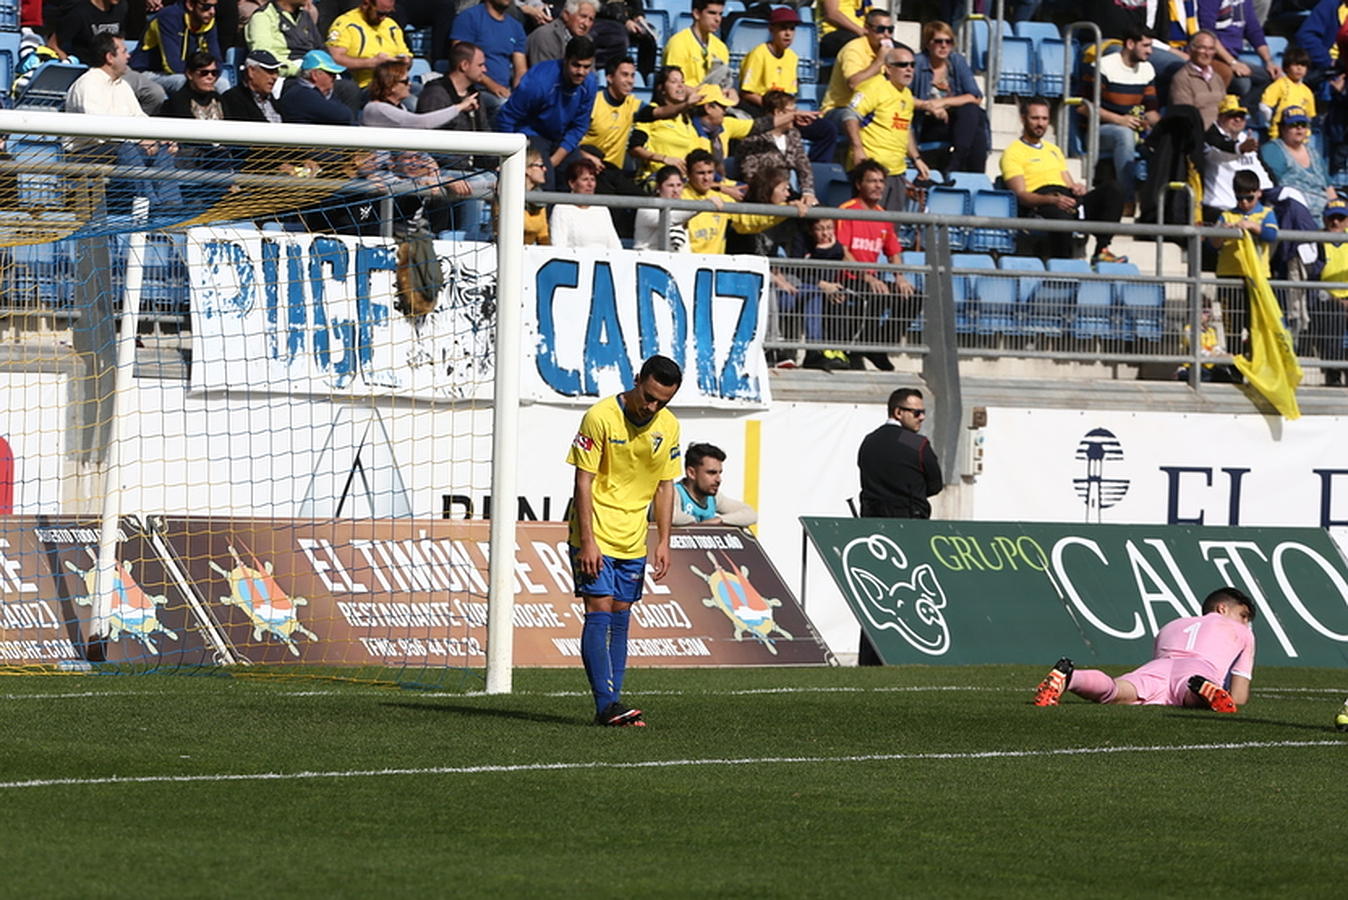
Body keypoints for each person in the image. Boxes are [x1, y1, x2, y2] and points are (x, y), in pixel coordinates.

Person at [566, 354, 684, 727]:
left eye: (662, 401)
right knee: (598, 614)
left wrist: (663, 540)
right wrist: (587, 541)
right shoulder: (600, 416)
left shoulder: (669, 426)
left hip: (634, 538)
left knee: (621, 617)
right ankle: (606, 704)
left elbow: (666, 486)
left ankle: (613, 706)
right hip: (596, 534)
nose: (652, 407)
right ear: (637, 380)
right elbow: (583, 481)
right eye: (649, 397)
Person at [1032, 587, 1256, 713]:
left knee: (1116, 690)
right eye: (1243, 616)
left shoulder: (1172, 625)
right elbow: (1239, 696)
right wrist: (1229, 696)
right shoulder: (1242, 631)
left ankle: (1070, 677)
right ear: (1222, 608)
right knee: (1188, 694)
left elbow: (1164, 663)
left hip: (1158, 666)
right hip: (1198, 669)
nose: (1245, 622)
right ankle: (1202, 691)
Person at [1001, 96, 1127, 264]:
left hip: (1066, 196)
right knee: (1060, 214)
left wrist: (1077, 188)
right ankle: (1062, 265)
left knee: (1113, 189)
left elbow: (1068, 182)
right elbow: (1021, 195)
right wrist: (1051, 200)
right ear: (1023, 118)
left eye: (1044, 119)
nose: (1040, 123)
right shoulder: (1012, 153)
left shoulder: (1054, 150)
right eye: (1035, 118)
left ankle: (1101, 251)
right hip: (1043, 200)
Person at [836, 159, 916, 369]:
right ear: (859, 184)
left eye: (881, 181)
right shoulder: (846, 210)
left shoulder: (882, 215)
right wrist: (867, 276)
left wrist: (900, 277)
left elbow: (894, 251)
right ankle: (860, 347)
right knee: (876, 293)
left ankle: (879, 346)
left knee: (912, 296)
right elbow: (842, 252)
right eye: (872, 181)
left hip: (872, 280)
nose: (879, 186)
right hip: (849, 279)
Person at [497, 35, 598, 186]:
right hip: (533, 132)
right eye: (576, 65)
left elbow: (579, 126)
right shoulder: (539, 82)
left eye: (586, 67)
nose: (581, 72)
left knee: (579, 178)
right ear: (565, 60)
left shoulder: (589, 84)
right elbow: (507, 117)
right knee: (545, 181)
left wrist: (553, 161)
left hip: (561, 137)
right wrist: (507, 157)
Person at [842, 44, 928, 210]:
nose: (909, 69)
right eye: (903, 65)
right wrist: (858, 148)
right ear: (888, 69)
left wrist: (916, 158)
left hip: (897, 172)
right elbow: (850, 115)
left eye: (912, 65)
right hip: (871, 170)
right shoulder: (873, 87)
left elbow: (905, 128)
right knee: (867, 226)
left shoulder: (907, 95)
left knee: (890, 228)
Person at [1086, 25, 1159, 210]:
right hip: (1099, 131)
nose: (1150, 51)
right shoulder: (1103, 66)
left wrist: (1161, 127)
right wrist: (1119, 120)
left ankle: (1156, 206)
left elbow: (1150, 110)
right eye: (1146, 46)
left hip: (1133, 128)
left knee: (1165, 139)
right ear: (1130, 44)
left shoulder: (1148, 69)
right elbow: (1084, 107)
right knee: (1123, 135)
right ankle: (1127, 200)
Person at [1209, 168, 1278, 349]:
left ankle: (1255, 364)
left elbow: (1271, 235)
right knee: (1232, 327)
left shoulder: (1266, 213)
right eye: (1240, 198)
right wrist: (1222, 232)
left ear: (1259, 193)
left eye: (1249, 198)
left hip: (1257, 278)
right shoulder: (1226, 215)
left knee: (1256, 325)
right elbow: (1213, 244)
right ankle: (1235, 368)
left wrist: (1253, 226)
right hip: (1229, 277)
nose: (1245, 203)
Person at [58, 0, 168, 113]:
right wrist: (68, 62)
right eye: (126, 52)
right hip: (91, 68)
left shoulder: (121, 7)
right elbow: (54, 44)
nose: (129, 55)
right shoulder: (79, 13)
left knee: (155, 93)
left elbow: (120, 41)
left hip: (117, 68)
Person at [911, 19, 988, 176]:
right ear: (928, 43)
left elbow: (975, 96)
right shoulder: (916, 63)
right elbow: (900, 97)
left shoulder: (956, 61)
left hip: (955, 122)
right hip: (926, 121)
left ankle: (957, 161)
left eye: (949, 41)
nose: (944, 46)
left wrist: (942, 102)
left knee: (973, 111)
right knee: (976, 122)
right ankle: (974, 174)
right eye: (938, 41)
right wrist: (928, 106)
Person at [857, 387, 943, 518]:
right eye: (917, 413)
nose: (922, 417)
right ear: (898, 412)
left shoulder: (869, 440)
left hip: (872, 521)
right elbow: (935, 485)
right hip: (909, 522)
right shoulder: (915, 442)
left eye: (923, 412)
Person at [1197, 0, 1280, 119]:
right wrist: (1232, 62)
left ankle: (1244, 115)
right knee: (1243, 83)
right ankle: (1227, 117)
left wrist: (1269, 61)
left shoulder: (1245, 2)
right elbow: (1208, 34)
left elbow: (1254, 31)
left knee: (1270, 77)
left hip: (1233, 57)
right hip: (1213, 57)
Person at [735, 89, 816, 208]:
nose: (796, 115)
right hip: (762, 195)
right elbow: (750, 173)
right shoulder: (754, 137)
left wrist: (808, 192)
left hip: (786, 193)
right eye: (792, 111)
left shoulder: (793, 134)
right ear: (778, 112)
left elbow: (803, 165)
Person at [451, 0, 527, 122]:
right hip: (474, 90)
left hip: (504, 91)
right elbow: (461, 59)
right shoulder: (469, 18)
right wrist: (492, 85)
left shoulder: (516, 27)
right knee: (502, 105)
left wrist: (520, 94)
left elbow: (521, 69)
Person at [1261, 105, 1339, 219]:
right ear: (1282, 128)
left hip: (1324, 216)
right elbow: (1273, 187)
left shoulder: (1314, 153)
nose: (1299, 128)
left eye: (1303, 125)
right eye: (1293, 125)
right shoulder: (1273, 150)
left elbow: (1329, 189)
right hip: (1293, 215)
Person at [1202, 94, 1272, 220]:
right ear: (1220, 117)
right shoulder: (1209, 138)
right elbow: (1221, 145)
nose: (1238, 120)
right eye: (1232, 115)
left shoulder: (1246, 139)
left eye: (1241, 116)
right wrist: (1240, 148)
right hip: (1219, 210)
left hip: (1250, 209)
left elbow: (1263, 173)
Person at [131, 0, 223, 94]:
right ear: (190, 5)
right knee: (185, 82)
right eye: (206, 7)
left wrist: (207, 74)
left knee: (223, 83)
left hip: (190, 72)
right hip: (148, 72)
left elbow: (217, 61)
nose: (212, 11)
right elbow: (172, 66)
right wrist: (199, 74)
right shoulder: (168, 17)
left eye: (215, 6)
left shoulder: (207, 21)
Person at [820, 7, 891, 116]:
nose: (886, 34)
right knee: (853, 117)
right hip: (840, 109)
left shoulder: (885, 51)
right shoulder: (854, 49)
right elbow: (854, 83)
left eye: (890, 30)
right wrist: (879, 61)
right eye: (880, 29)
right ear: (866, 28)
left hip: (870, 108)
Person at [325, 0, 410, 89]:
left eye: (388, 14)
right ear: (366, 4)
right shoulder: (346, 23)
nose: (383, 18)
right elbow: (333, 58)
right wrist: (372, 62)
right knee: (411, 101)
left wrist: (405, 61)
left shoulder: (391, 25)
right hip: (364, 86)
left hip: (396, 83)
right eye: (380, 13)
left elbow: (406, 55)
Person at [669, 442, 757, 527]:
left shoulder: (713, 498)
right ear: (691, 473)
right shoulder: (674, 493)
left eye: (720, 473)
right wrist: (697, 524)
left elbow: (751, 514)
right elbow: (668, 514)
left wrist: (720, 520)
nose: (719, 480)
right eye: (712, 473)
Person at [1312, 199, 1348, 385]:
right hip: (1326, 298)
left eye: (1340, 218)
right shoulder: (1318, 241)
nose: (1336, 223)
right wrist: (1336, 299)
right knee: (1333, 317)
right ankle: (1333, 372)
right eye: (1332, 218)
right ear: (1325, 220)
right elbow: (1313, 279)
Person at [549, 158, 623, 248]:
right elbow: (558, 246)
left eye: (593, 179)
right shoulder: (562, 209)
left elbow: (615, 245)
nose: (590, 184)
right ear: (572, 183)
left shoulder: (602, 209)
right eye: (585, 179)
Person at [662, 0, 731, 94]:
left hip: (713, 102)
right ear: (696, 14)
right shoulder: (678, 43)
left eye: (720, 14)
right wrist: (704, 94)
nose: (718, 19)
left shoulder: (721, 47)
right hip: (686, 102)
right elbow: (673, 86)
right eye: (712, 13)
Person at [245, 0, 324, 78]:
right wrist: (299, 71)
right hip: (283, 75)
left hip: (311, 68)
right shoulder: (263, 16)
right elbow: (262, 54)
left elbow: (320, 48)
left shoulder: (305, 15)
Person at [1169, 29, 1228, 129]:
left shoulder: (1217, 77)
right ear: (1190, 50)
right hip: (1198, 136)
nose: (1207, 53)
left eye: (1211, 49)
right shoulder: (1182, 78)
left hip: (1221, 135)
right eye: (1202, 48)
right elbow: (1185, 117)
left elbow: (1225, 108)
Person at [277, 48, 355, 124]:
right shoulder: (301, 95)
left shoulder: (313, 93)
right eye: (331, 74)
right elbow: (344, 115)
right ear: (315, 75)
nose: (334, 78)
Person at [633, 164, 695, 250]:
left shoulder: (682, 209)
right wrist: (703, 205)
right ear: (658, 187)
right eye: (670, 185)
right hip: (647, 260)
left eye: (679, 185)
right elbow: (669, 219)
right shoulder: (646, 208)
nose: (676, 191)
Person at [1260, 45, 1316, 140]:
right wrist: (1271, 121)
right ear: (1286, 67)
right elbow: (1264, 106)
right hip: (1280, 136)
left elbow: (1309, 116)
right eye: (1295, 65)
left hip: (1300, 138)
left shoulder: (1307, 91)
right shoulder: (1280, 85)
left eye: (1303, 65)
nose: (1299, 68)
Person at [221, 47, 284, 122]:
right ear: (251, 71)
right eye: (269, 71)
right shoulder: (232, 99)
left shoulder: (276, 102)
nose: (275, 77)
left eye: (276, 72)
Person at [526, 0, 594, 66]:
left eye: (591, 19)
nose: (586, 24)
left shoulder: (588, 40)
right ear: (566, 15)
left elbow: (590, 73)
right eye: (583, 16)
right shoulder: (545, 36)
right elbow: (543, 74)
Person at [158, 49, 223, 119]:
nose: (210, 77)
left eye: (214, 73)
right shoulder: (175, 104)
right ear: (189, 74)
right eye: (204, 73)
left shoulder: (219, 99)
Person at [523, 146, 550, 245]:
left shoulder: (540, 198)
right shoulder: (508, 194)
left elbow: (543, 234)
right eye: (541, 165)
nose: (545, 169)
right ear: (527, 169)